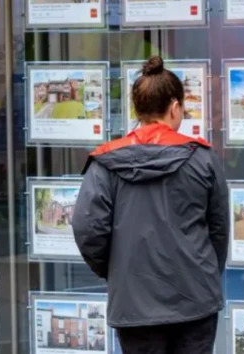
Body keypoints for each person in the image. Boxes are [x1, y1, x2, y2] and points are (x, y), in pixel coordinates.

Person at [72, 55, 229, 354]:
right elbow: (219, 229)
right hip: (195, 298)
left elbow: (87, 228)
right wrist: (204, 273)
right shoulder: (203, 159)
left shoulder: (105, 162)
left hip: (134, 303)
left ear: (136, 108)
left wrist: (118, 270)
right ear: (174, 107)